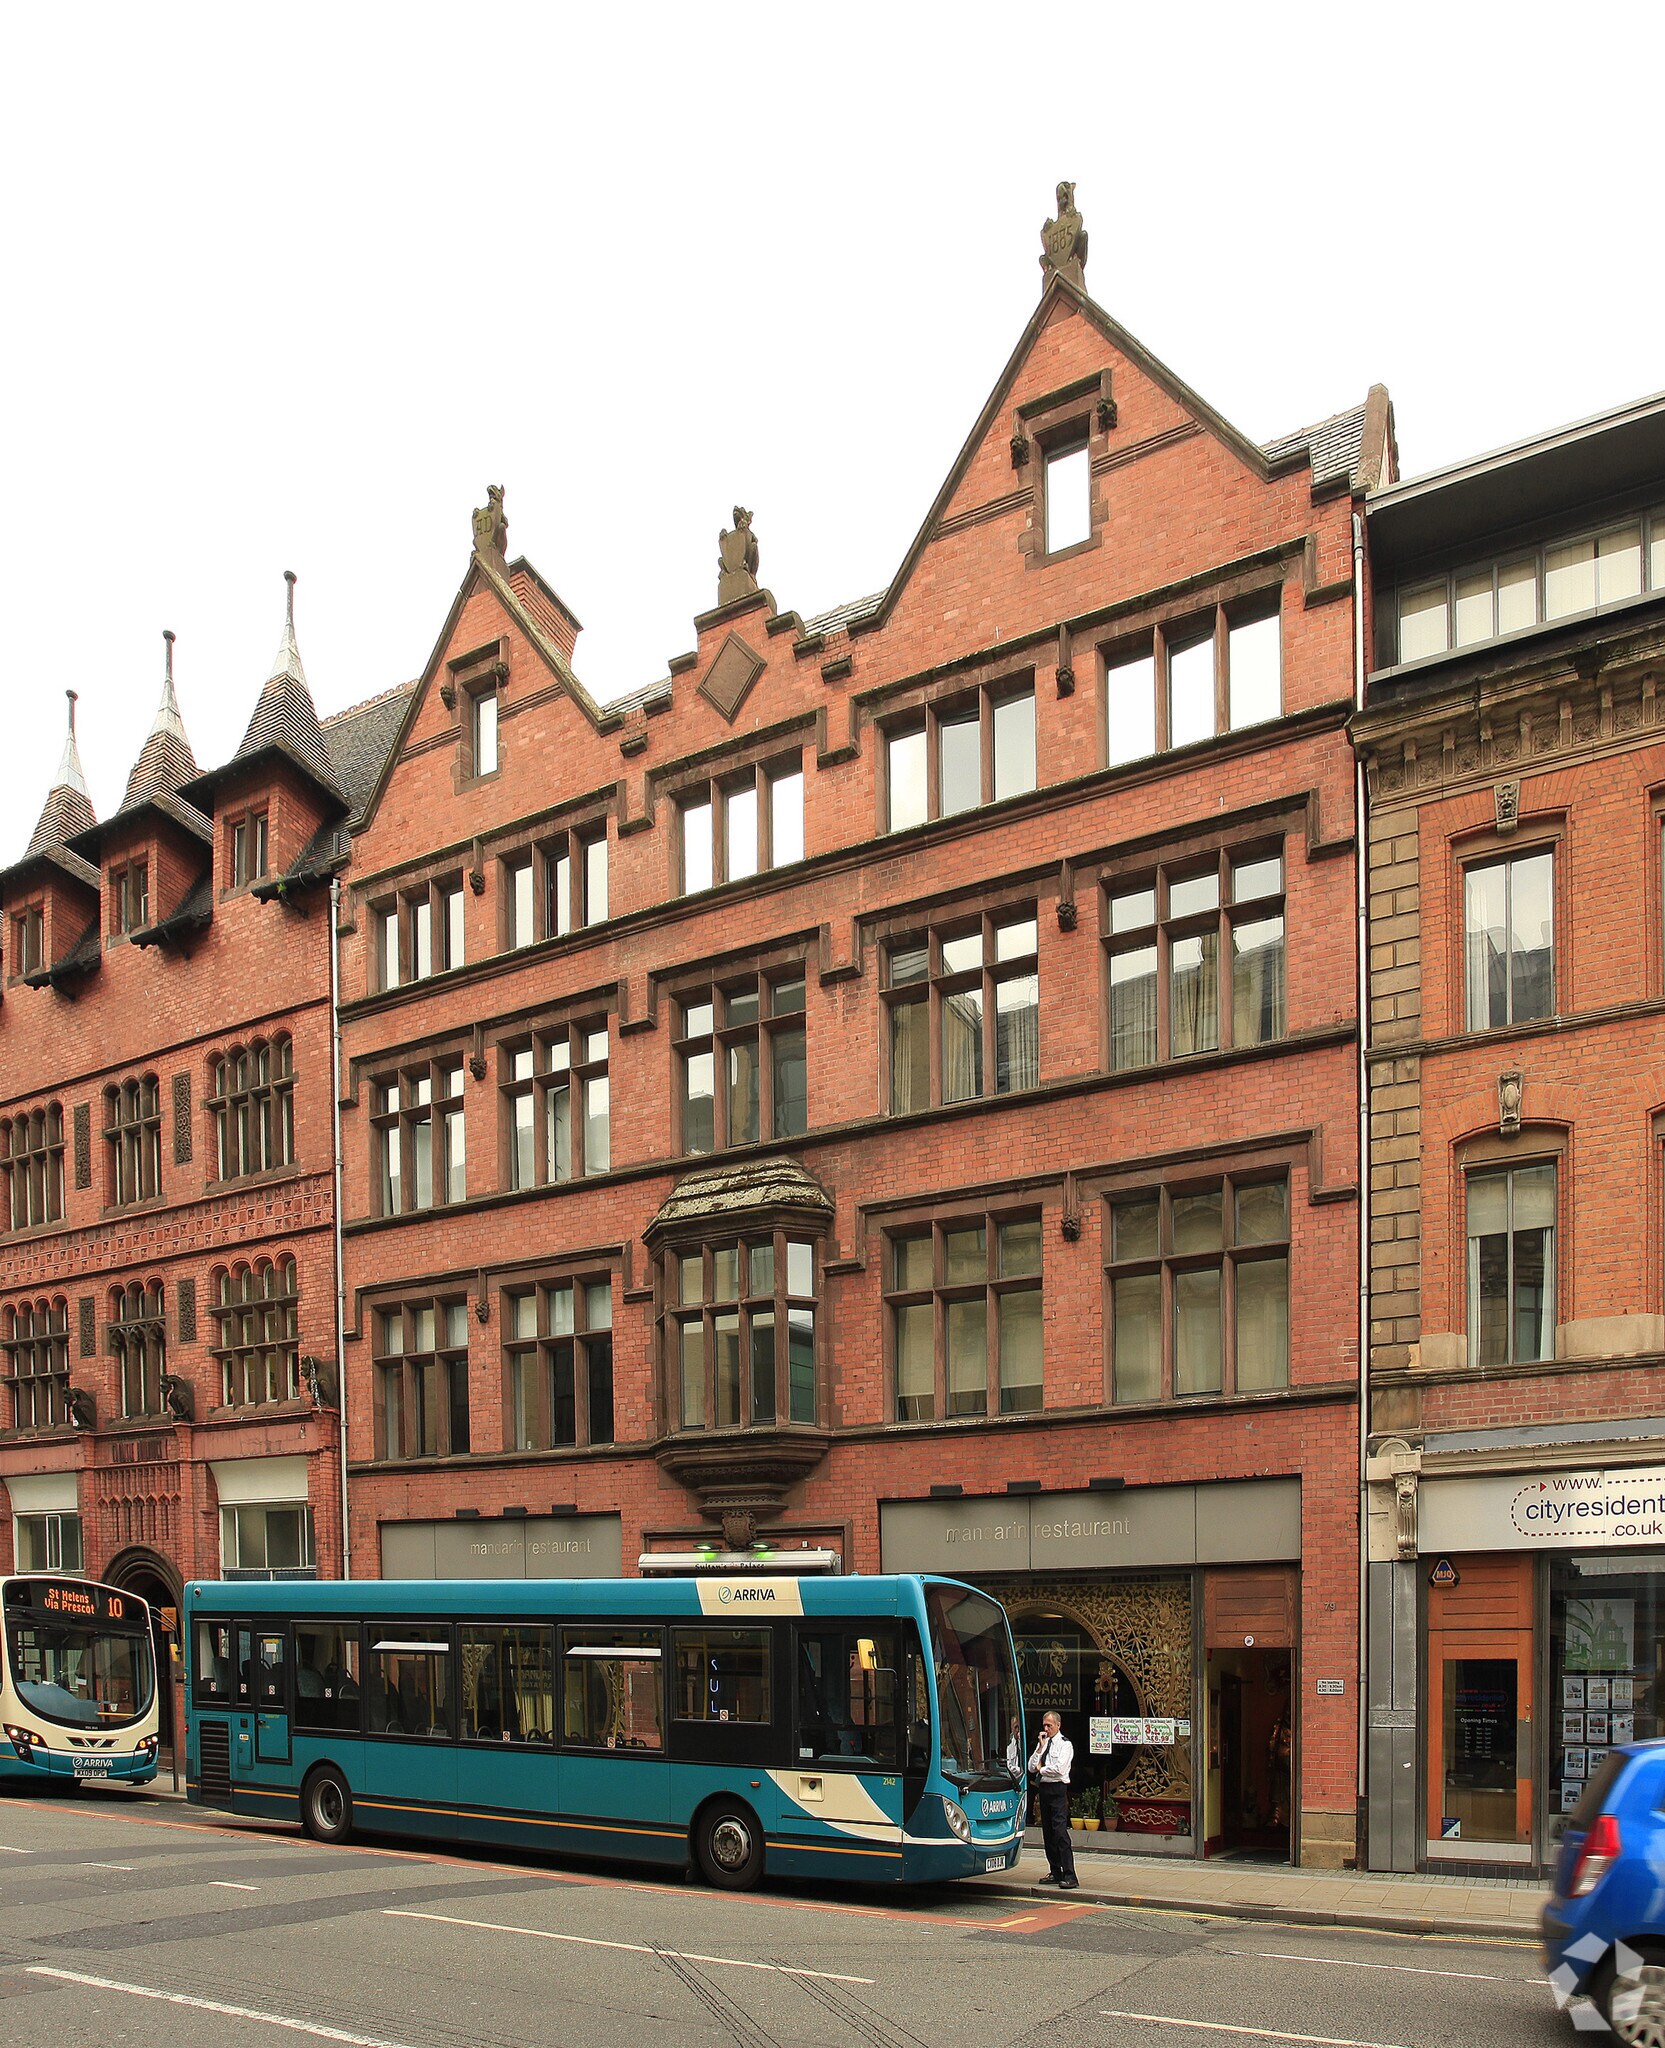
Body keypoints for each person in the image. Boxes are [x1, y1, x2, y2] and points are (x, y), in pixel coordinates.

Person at [1028, 1711, 1078, 1888]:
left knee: (1060, 1832)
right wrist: (1040, 1748)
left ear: (1058, 1725)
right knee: (1048, 1833)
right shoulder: (1043, 1743)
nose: (1046, 1729)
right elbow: (1031, 1766)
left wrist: (1041, 1769)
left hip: (1057, 1789)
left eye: (1049, 1725)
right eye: (1044, 1725)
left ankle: (1070, 1875)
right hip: (1044, 1789)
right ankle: (1055, 1871)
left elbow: (1059, 1769)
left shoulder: (1065, 1745)